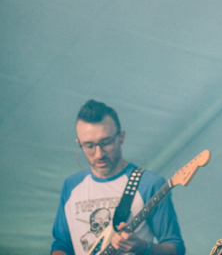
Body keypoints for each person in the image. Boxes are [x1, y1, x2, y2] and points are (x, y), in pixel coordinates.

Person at [51, 100, 185, 255]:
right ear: (79, 143)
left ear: (121, 137)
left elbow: (176, 248)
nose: (99, 154)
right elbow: (62, 244)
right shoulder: (71, 185)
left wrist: (143, 247)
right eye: (89, 146)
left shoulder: (149, 184)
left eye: (106, 142)